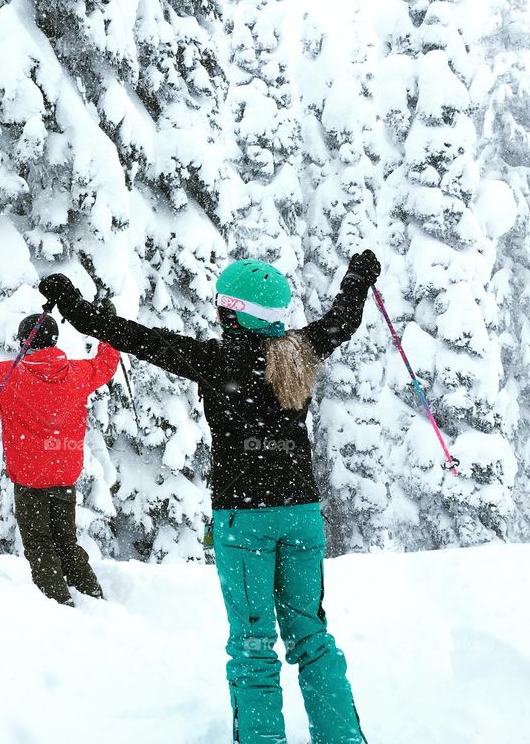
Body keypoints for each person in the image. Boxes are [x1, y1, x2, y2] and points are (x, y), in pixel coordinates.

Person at [39, 251, 380, 744]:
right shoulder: (301, 350)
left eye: (223, 307)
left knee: (253, 646)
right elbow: (342, 320)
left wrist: (72, 304)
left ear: (235, 314)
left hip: (245, 521)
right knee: (312, 638)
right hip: (302, 515)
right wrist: (358, 278)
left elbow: (136, 337)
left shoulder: (217, 360)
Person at [0, 302, 120, 607]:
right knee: (66, 543)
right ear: (53, 341)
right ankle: (92, 596)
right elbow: (106, 364)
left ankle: (59, 605)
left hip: (30, 479)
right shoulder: (78, 373)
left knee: (40, 545)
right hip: (64, 474)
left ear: (23, 343)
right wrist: (108, 326)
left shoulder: (11, 375)